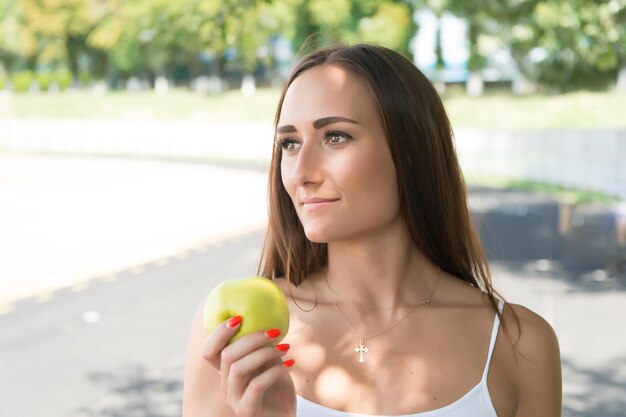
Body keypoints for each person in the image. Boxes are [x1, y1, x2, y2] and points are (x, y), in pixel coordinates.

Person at [182, 43, 562, 417]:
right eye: (290, 143)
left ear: (410, 152)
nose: (300, 173)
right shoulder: (233, 342)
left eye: (335, 137)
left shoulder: (519, 346)